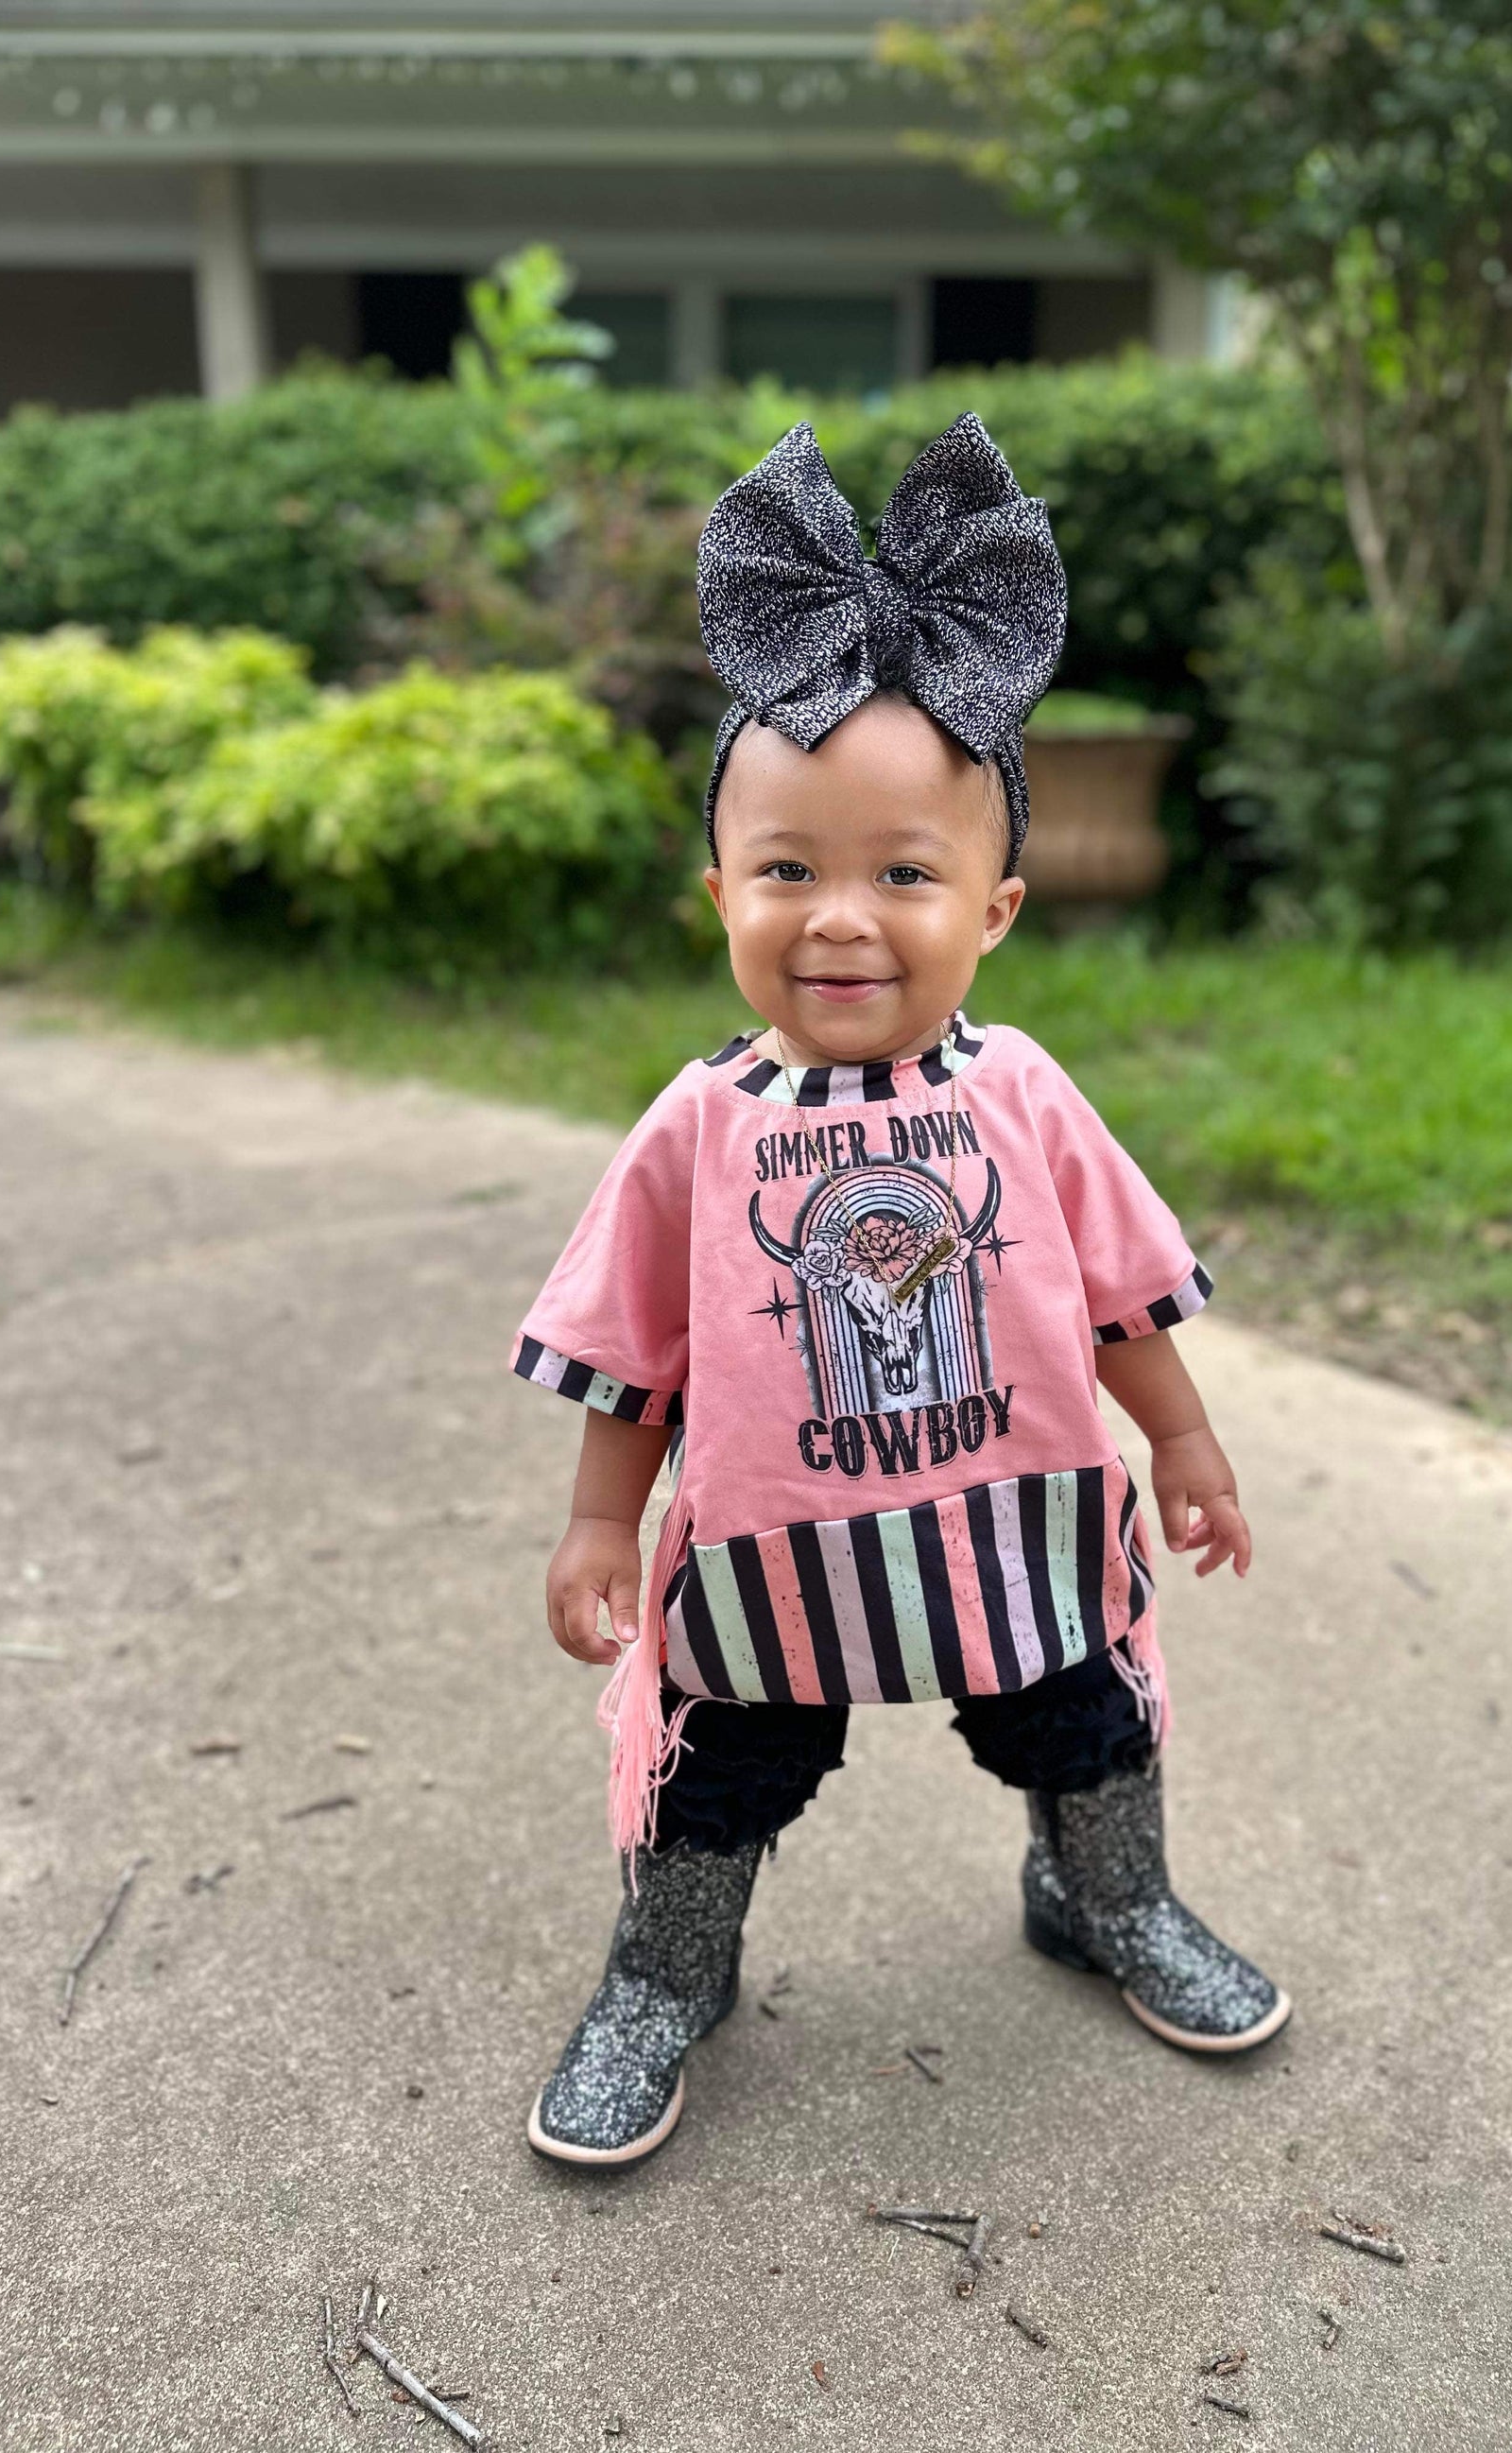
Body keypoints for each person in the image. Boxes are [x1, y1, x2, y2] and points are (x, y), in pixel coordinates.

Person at [512, 415, 1289, 2167]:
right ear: (719, 892)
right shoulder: (700, 1125)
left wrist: (1183, 1445)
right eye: (788, 869)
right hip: (770, 1552)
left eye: (904, 874)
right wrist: (598, 1525)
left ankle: (1105, 1897)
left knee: (1083, 1719)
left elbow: (1120, 1297)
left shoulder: (1024, 1094)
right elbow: (633, 1359)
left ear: (994, 909)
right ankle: (665, 1972)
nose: (841, 918)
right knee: (720, 1769)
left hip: (1015, 1523)